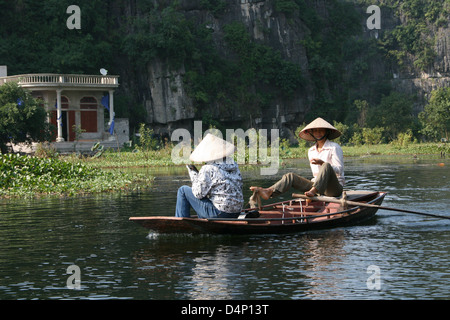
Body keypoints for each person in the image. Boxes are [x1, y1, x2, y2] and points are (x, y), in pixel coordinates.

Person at [250, 117, 345, 201]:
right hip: (316, 185)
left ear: (326, 131)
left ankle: (314, 190)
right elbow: (315, 175)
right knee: (290, 176)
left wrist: (323, 163)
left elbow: (339, 170)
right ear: (311, 133)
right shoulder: (311, 151)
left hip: (333, 189)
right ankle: (269, 191)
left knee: (326, 165)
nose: (318, 133)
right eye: (315, 131)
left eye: (321, 130)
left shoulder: (334, 147)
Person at [175, 133, 244, 219]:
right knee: (206, 196)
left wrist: (193, 174)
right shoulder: (234, 165)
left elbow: (198, 194)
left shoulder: (208, 168)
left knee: (183, 190)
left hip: (220, 213)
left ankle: (181, 224)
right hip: (236, 212)